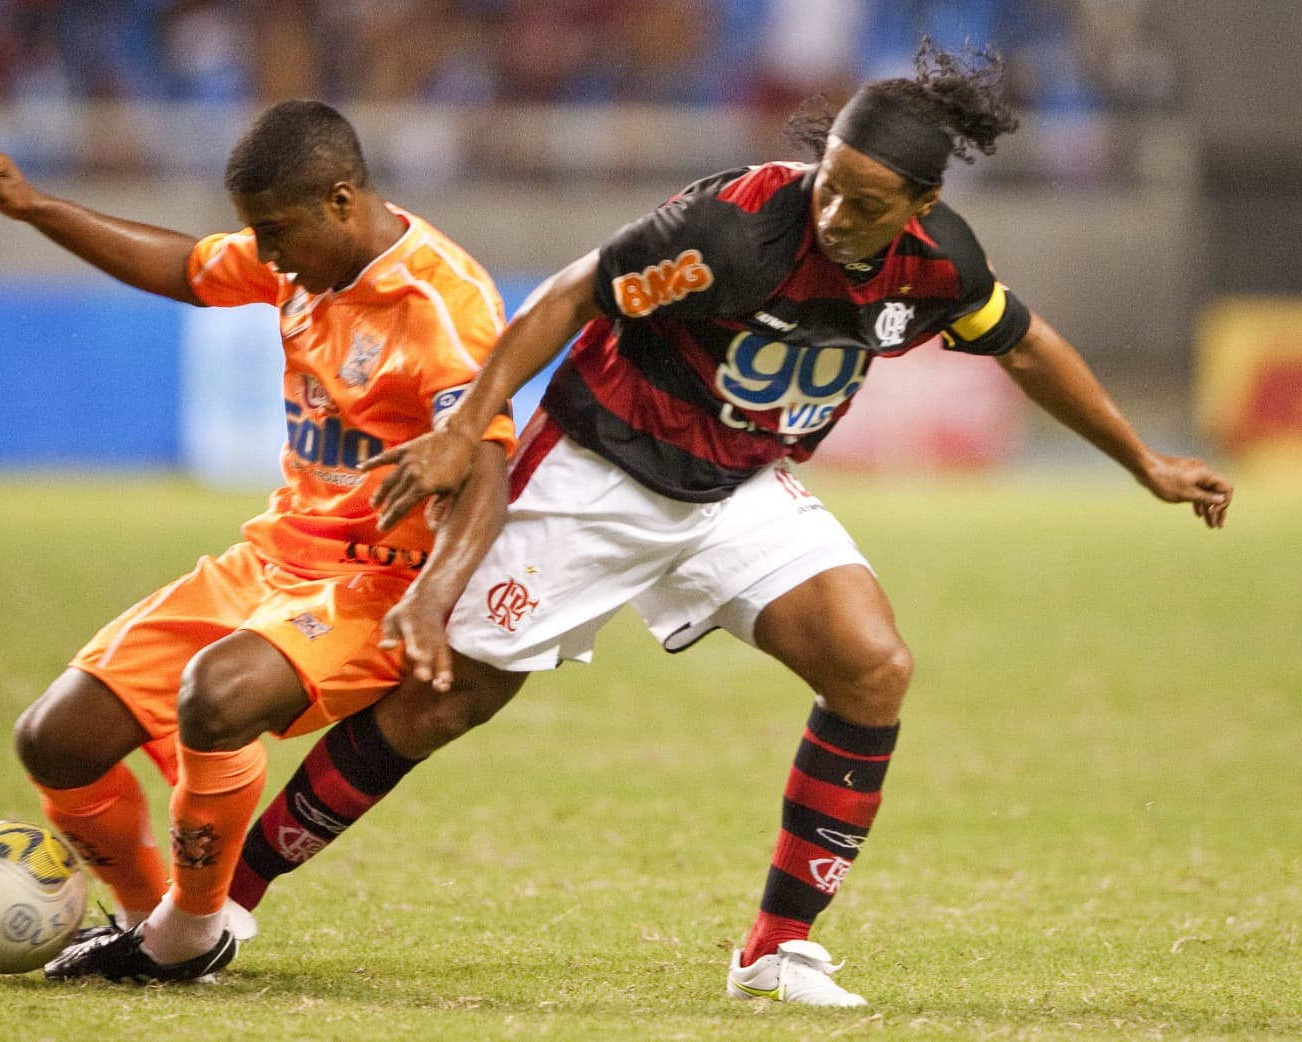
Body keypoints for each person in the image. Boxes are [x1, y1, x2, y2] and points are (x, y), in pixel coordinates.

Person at [223, 42, 1234, 1007]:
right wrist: (469, 422)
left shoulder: (937, 267)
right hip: (600, 467)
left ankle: (774, 947)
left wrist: (1143, 460)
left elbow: (1024, 345)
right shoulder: (732, 234)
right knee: (448, 696)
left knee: (871, 663)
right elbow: (574, 293)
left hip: (737, 485)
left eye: (866, 202)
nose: (835, 211)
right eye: (828, 181)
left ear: (921, 208)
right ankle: (229, 899)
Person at [0, 99, 518, 982]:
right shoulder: (298, 261)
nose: (266, 256)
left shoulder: (442, 305)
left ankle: (189, 934)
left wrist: (434, 600)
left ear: (341, 200)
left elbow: (486, 470)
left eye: (275, 233)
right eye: (256, 235)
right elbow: (185, 265)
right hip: (269, 561)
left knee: (217, 694)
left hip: (373, 583)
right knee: (55, 741)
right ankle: (150, 919)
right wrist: (38, 206)